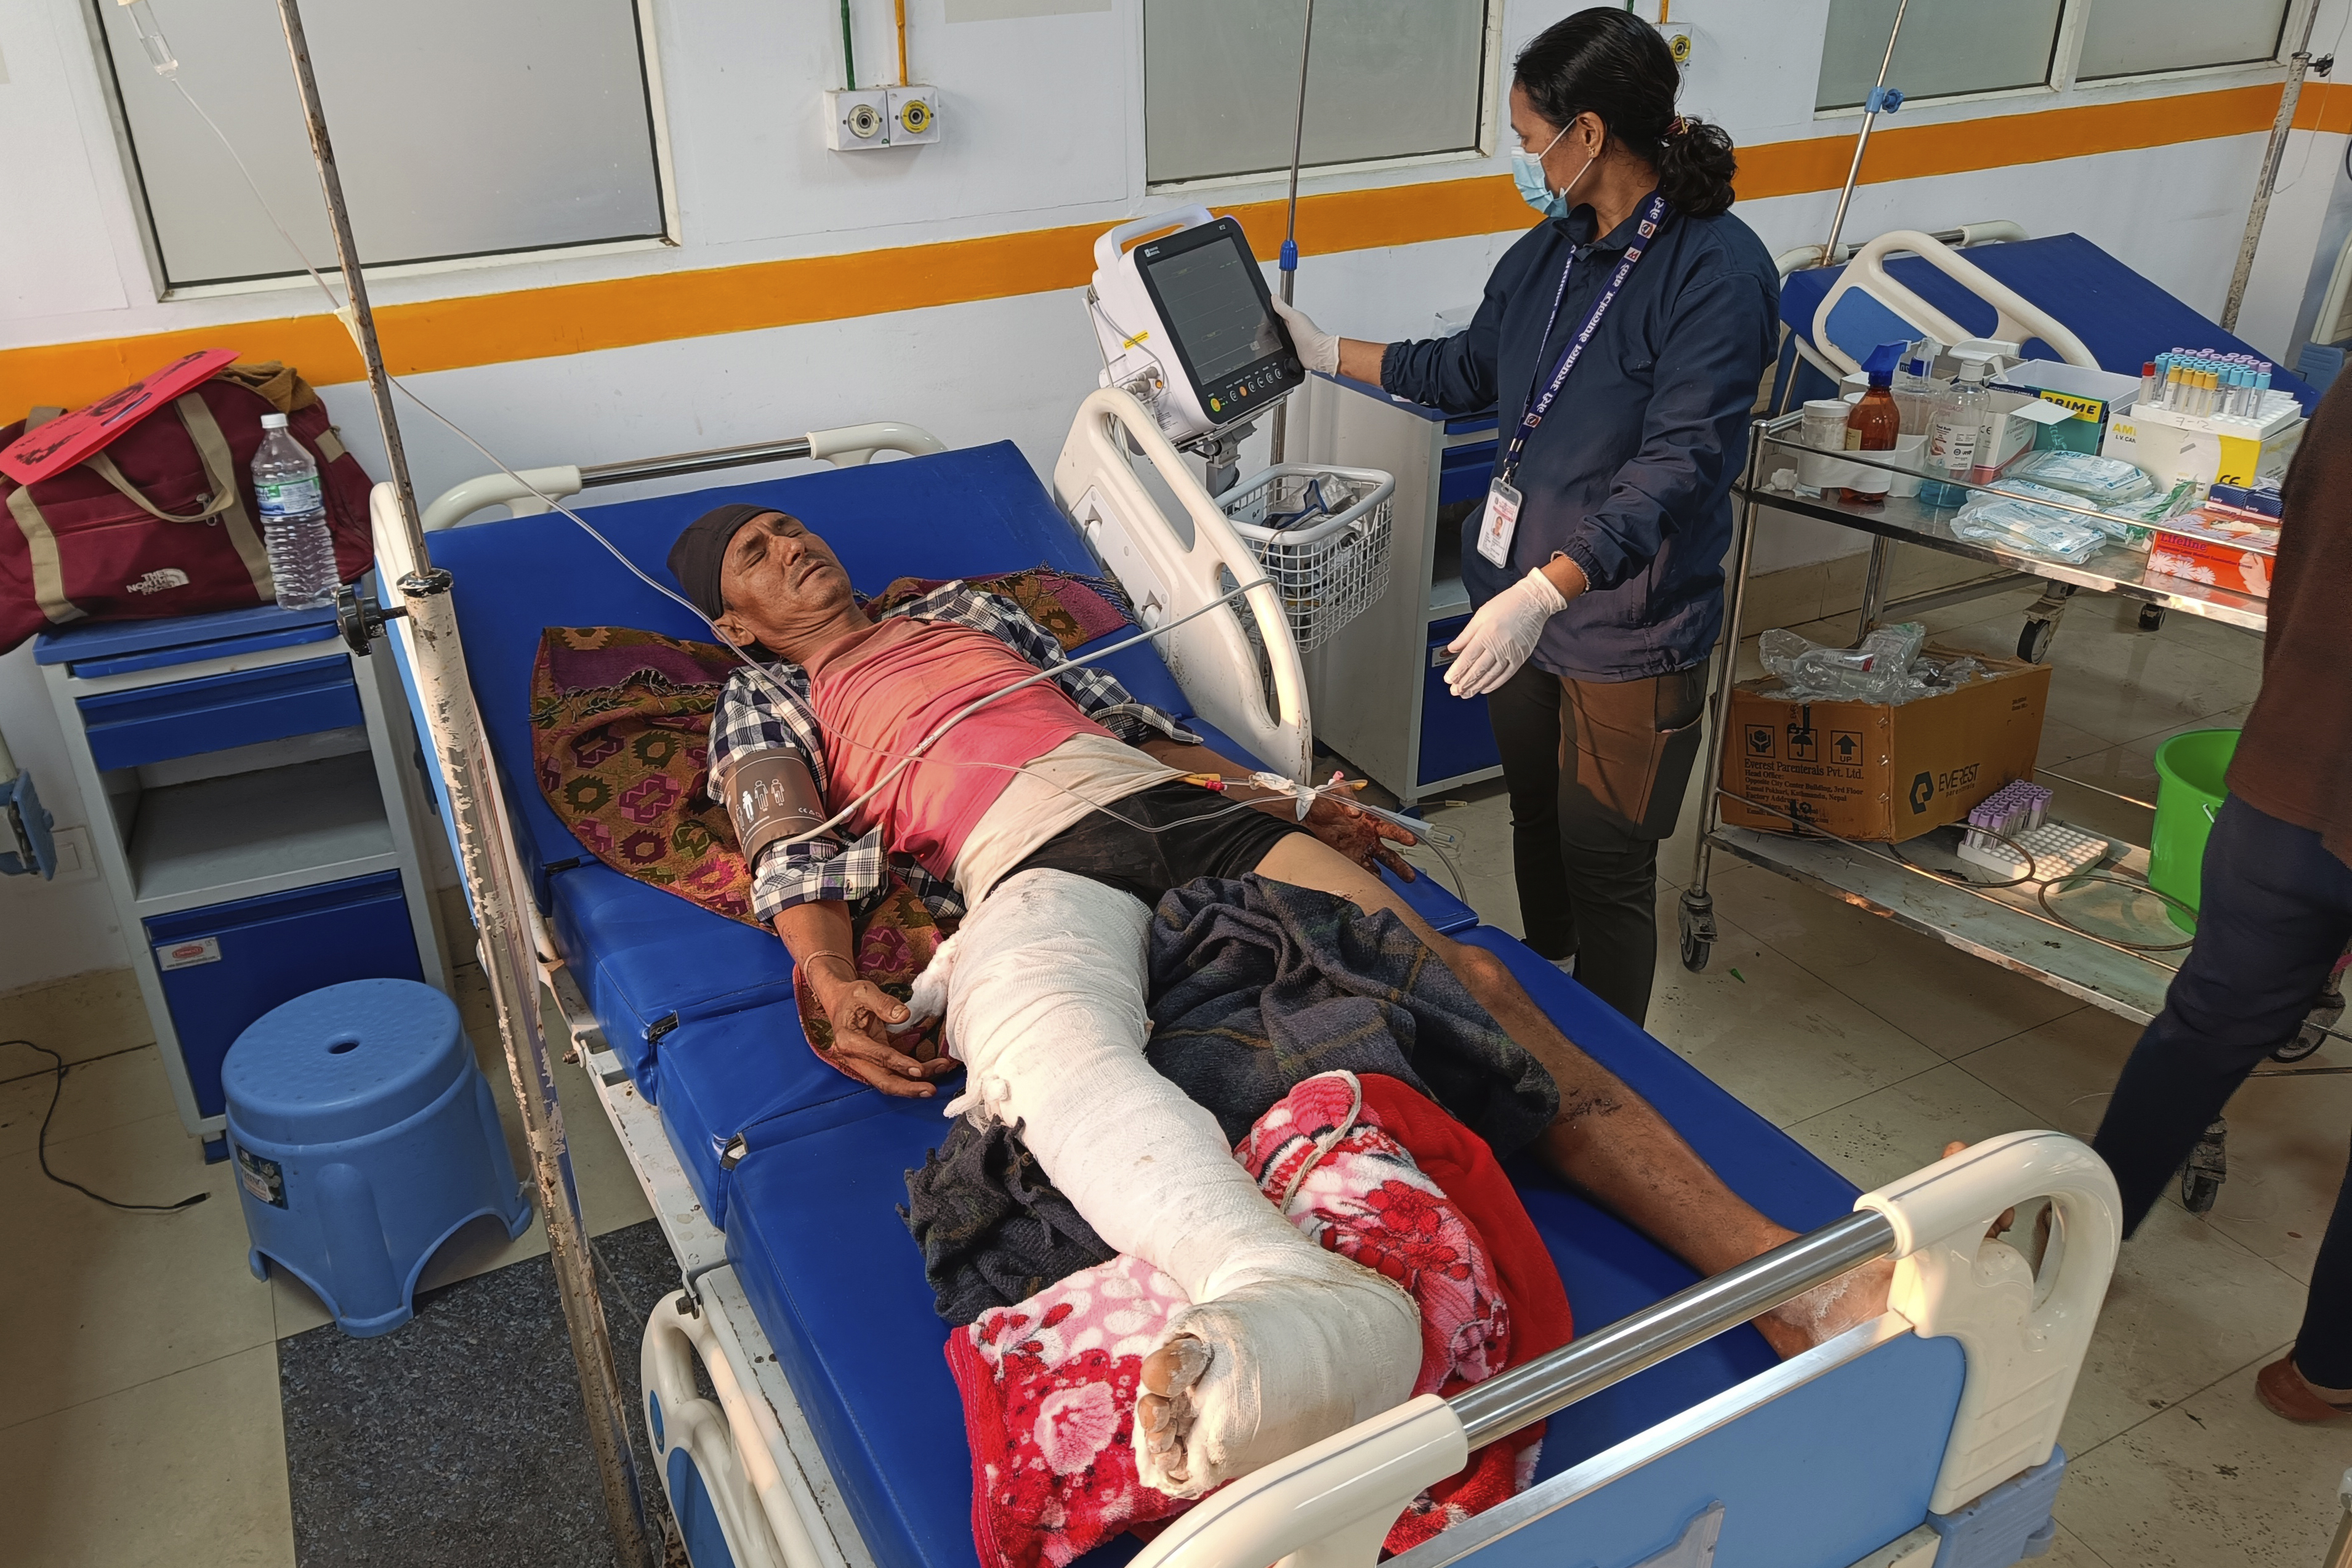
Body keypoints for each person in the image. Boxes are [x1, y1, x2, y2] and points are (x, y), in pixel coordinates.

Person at [669, 503, 1887, 1494]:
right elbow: (798, 853)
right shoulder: (767, 698)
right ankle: (1272, 1299)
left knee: (1469, 980)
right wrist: (825, 973)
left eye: (789, 527)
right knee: (1055, 1068)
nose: (793, 549)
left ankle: (1785, 1273)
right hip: (1019, 861)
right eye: (757, 557)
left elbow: (1132, 722)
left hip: (1167, 802)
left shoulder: (970, 612)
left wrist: (1293, 801)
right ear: (741, 624)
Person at [1272, 9, 1778, 1025]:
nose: (1519, 155)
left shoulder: (1715, 273)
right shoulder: (1553, 251)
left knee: (1609, 865)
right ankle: (1550, 1002)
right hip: (1522, 614)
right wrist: (1327, 353)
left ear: (1586, 134)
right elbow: (1466, 366)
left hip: (1622, 630)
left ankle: (1613, 1073)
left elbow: (1678, 466)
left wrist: (1548, 589)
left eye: (1524, 133)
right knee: (1538, 821)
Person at [2090, 373, 2352, 1425]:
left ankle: (2078, 1242)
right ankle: (2325, 1370)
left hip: (2294, 770)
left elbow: (2306, 537)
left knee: (2203, 1028)